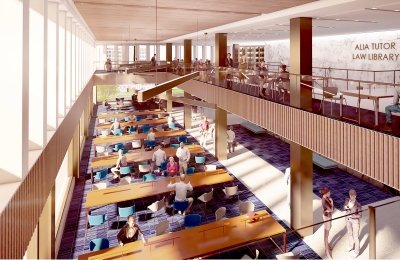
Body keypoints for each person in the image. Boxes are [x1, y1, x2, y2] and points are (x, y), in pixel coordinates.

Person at [344, 189, 362, 258]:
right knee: (349, 233)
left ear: (355, 195)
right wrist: (346, 207)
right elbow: (345, 207)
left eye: (353, 196)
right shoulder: (346, 200)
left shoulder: (358, 205)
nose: (352, 197)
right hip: (347, 219)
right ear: (349, 195)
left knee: (356, 237)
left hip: (355, 222)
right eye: (351, 196)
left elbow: (360, 215)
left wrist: (353, 216)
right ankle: (351, 246)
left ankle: (356, 252)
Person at [320, 187, 334, 260]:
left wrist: (330, 209)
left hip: (329, 216)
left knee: (328, 230)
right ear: (325, 193)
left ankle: (327, 245)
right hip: (326, 217)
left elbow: (331, 210)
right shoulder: (324, 201)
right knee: (326, 234)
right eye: (328, 193)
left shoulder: (326, 198)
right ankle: (326, 251)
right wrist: (332, 202)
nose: (330, 193)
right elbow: (331, 209)